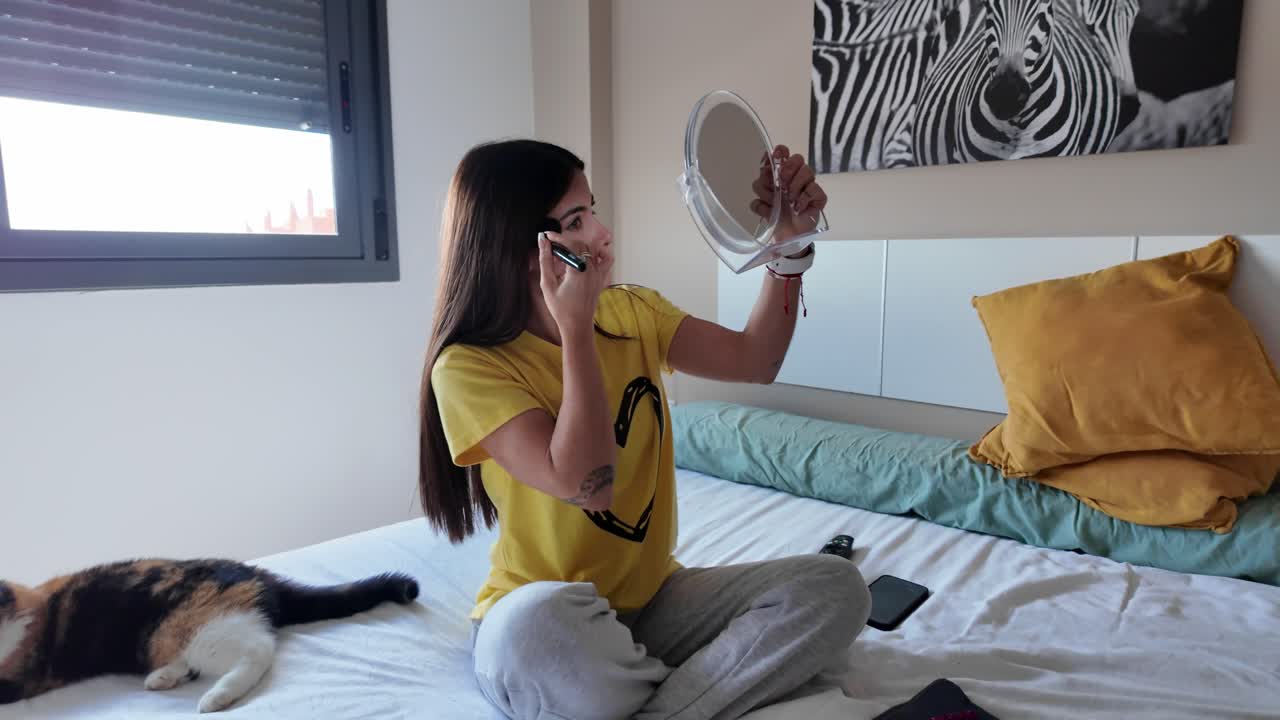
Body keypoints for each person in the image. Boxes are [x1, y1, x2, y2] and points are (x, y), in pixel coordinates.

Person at [418, 138, 871, 720]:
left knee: (834, 587)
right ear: (521, 247)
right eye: (578, 220)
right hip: (545, 612)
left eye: (593, 211)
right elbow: (588, 485)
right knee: (534, 631)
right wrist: (576, 332)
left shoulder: (634, 313)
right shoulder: (469, 367)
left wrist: (789, 248)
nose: (603, 235)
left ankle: (656, 706)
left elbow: (757, 361)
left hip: (654, 603)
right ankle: (686, 688)